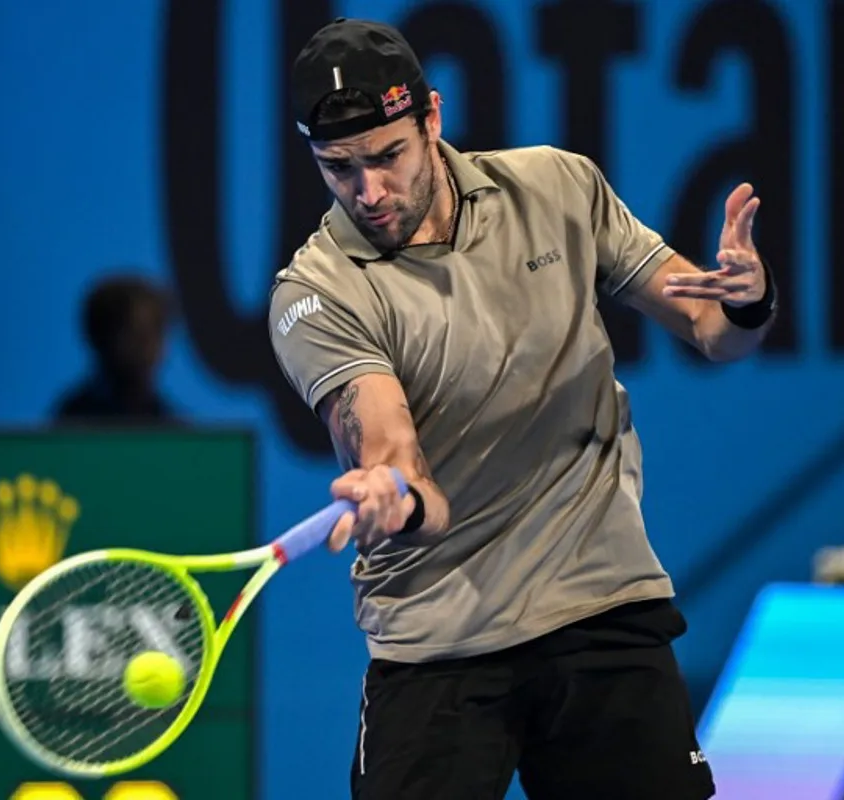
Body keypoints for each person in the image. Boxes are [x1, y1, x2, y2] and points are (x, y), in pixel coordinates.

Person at [268, 17, 776, 800]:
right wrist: (390, 491)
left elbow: (711, 330)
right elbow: (399, 460)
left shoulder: (556, 187)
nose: (369, 191)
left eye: (387, 156)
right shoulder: (317, 292)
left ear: (432, 119)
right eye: (339, 168)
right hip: (437, 645)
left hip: (599, 606)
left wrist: (747, 302)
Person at [52, 273, 181, 425]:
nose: (149, 347)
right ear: (100, 338)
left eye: (157, 332)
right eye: (136, 335)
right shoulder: (74, 418)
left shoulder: (172, 422)